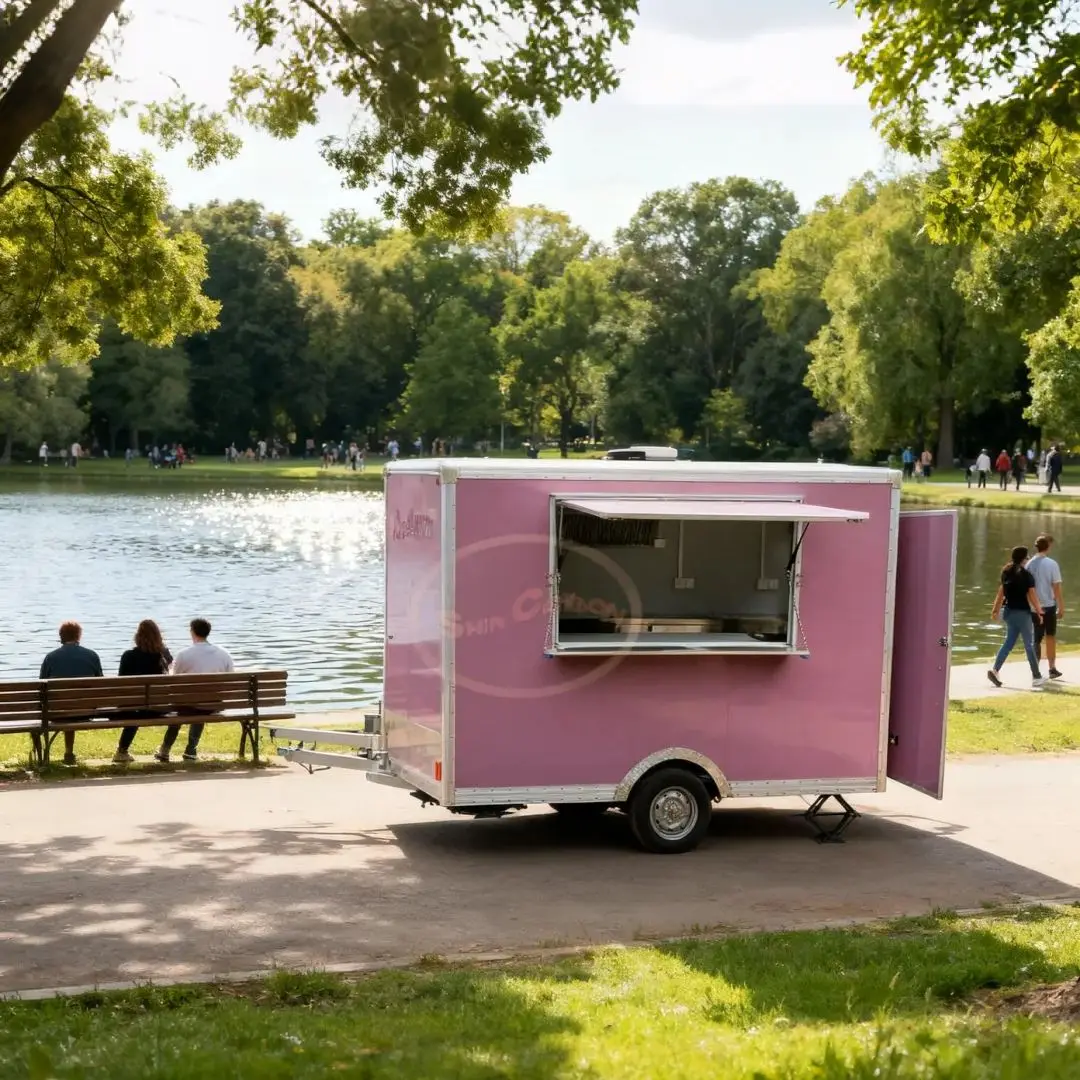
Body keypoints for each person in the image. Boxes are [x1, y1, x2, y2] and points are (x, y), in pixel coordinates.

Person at [154, 618, 234, 763]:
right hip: (213, 705)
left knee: (183, 706)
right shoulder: (224, 654)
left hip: (188, 705)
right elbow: (230, 680)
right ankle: (191, 749)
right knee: (201, 703)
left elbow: (173, 680)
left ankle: (165, 750)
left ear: (192, 632)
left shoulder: (184, 654)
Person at [39, 621, 104, 765]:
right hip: (86, 711)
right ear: (79, 636)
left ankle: (66, 753)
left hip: (58, 712)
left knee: (65, 705)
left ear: (61, 636)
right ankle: (68, 752)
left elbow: (41, 686)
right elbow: (100, 684)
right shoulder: (92, 655)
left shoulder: (51, 657)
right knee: (74, 703)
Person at [113, 620, 173, 763]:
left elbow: (122, 683)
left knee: (134, 708)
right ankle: (165, 749)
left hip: (133, 708)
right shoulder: (163, 656)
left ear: (137, 636)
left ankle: (122, 751)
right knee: (138, 707)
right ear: (159, 636)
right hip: (158, 708)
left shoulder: (128, 656)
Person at [988, 546, 1046, 688]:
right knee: (1029, 644)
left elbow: (1000, 593)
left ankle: (995, 670)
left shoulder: (1006, 573)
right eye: (1026, 557)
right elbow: (1032, 596)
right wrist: (1040, 611)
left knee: (1008, 643)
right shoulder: (1026, 576)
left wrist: (995, 610)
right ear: (1023, 559)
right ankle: (1037, 676)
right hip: (1022, 614)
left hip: (1008, 612)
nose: (1027, 560)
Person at [1027, 535, 1065, 680]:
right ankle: (1052, 668)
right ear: (1048, 546)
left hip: (1033, 607)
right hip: (1049, 605)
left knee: (1036, 639)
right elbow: (1056, 587)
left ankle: (1035, 669)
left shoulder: (1029, 564)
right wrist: (1061, 606)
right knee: (1050, 636)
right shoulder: (1051, 564)